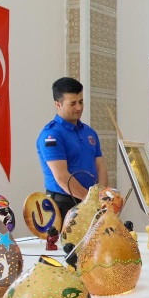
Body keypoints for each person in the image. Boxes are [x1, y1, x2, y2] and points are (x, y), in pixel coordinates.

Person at [36, 77, 108, 218]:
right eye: (73, 103)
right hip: (63, 205)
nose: (79, 108)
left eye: (81, 102)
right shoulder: (52, 135)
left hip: (91, 202)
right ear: (58, 104)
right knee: (67, 241)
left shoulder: (89, 132)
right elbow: (62, 177)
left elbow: (100, 166)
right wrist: (90, 200)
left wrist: (102, 195)